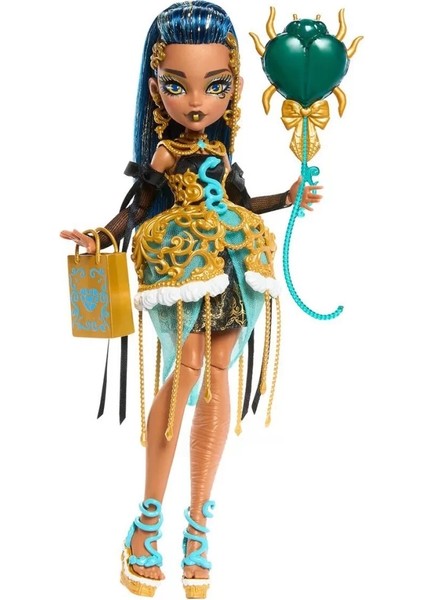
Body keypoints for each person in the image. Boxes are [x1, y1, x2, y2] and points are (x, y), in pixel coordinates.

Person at [61, 2, 322, 597]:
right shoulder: (166, 152)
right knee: (189, 369)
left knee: (218, 370)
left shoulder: (223, 154)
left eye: (216, 85)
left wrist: (288, 197)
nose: (198, 102)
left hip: (232, 259)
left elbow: (243, 204)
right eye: (178, 86)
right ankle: (147, 518)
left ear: (234, 87)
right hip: (182, 258)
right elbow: (136, 207)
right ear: (157, 89)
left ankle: (199, 522)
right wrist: (101, 237)